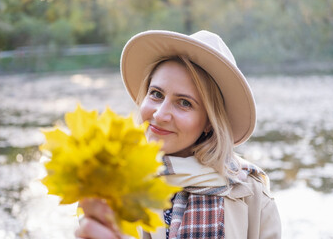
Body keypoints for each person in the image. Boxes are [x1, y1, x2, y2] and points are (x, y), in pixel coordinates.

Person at [75, 30, 281, 239]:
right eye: (156, 94)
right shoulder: (112, 184)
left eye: (184, 103)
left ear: (210, 122)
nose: (160, 114)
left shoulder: (253, 197)